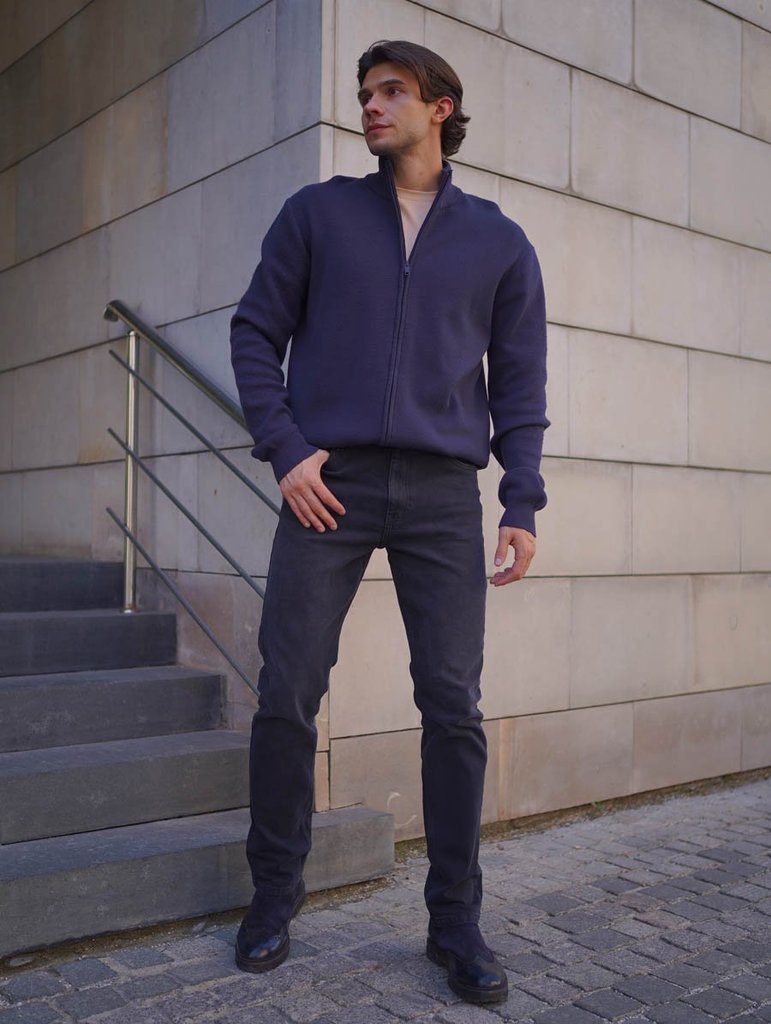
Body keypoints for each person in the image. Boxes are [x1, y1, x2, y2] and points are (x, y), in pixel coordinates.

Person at [229, 39, 549, 1006]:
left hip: (444, 493)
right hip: (328, 484)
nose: (370, 106)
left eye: (391, 91)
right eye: (364, 92)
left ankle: (454, 922)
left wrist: (520, 500)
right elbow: (254, 333)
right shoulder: (317, 214)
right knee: (288, 691)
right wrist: (287, 451)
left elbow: (519, 383)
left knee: (451, 705)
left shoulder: (497, 240)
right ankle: (273, 893)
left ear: (439, 107)